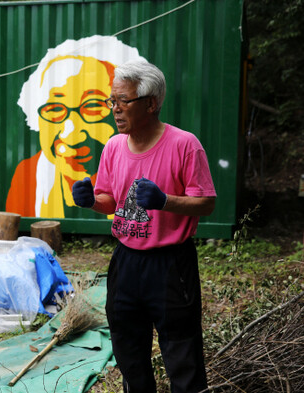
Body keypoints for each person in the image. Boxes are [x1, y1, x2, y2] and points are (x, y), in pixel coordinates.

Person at [72, 60, 216, 392]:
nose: (115, 109)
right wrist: (91, 200)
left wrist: (165, 201)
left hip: (170, 265)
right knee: (129, 353)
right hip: (126, 262)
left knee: (183, 356)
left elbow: (207, 202)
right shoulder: (113, 146)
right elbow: (111, 199)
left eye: (123, 100)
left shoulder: (184, 145)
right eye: (112, 101)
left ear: (151, 103)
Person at [6, 35, 144, 218]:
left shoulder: (145, 164)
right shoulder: (28, 175)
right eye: (55, 109)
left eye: (93, 106)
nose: (71, 134)